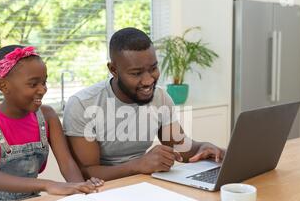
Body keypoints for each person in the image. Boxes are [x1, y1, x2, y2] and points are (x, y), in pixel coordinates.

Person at [63, 27, 225, 181]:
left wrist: (203, 148)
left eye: (153, 68)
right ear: (113, 69)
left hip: (145, 183)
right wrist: (138, 165)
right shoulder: (83, 104)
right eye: (136, 73)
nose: (148, 80)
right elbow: (87, 172)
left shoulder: (160, 97)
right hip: (104, 190)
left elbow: (180, 146)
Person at [0, 45, 103, 201]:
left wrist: (81, 189)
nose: (43, 89)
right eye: (33, 84)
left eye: (44, 82)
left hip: (29, 200)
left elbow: (67, 163)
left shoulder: (48, 115)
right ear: (4, 85)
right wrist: (48, 185)